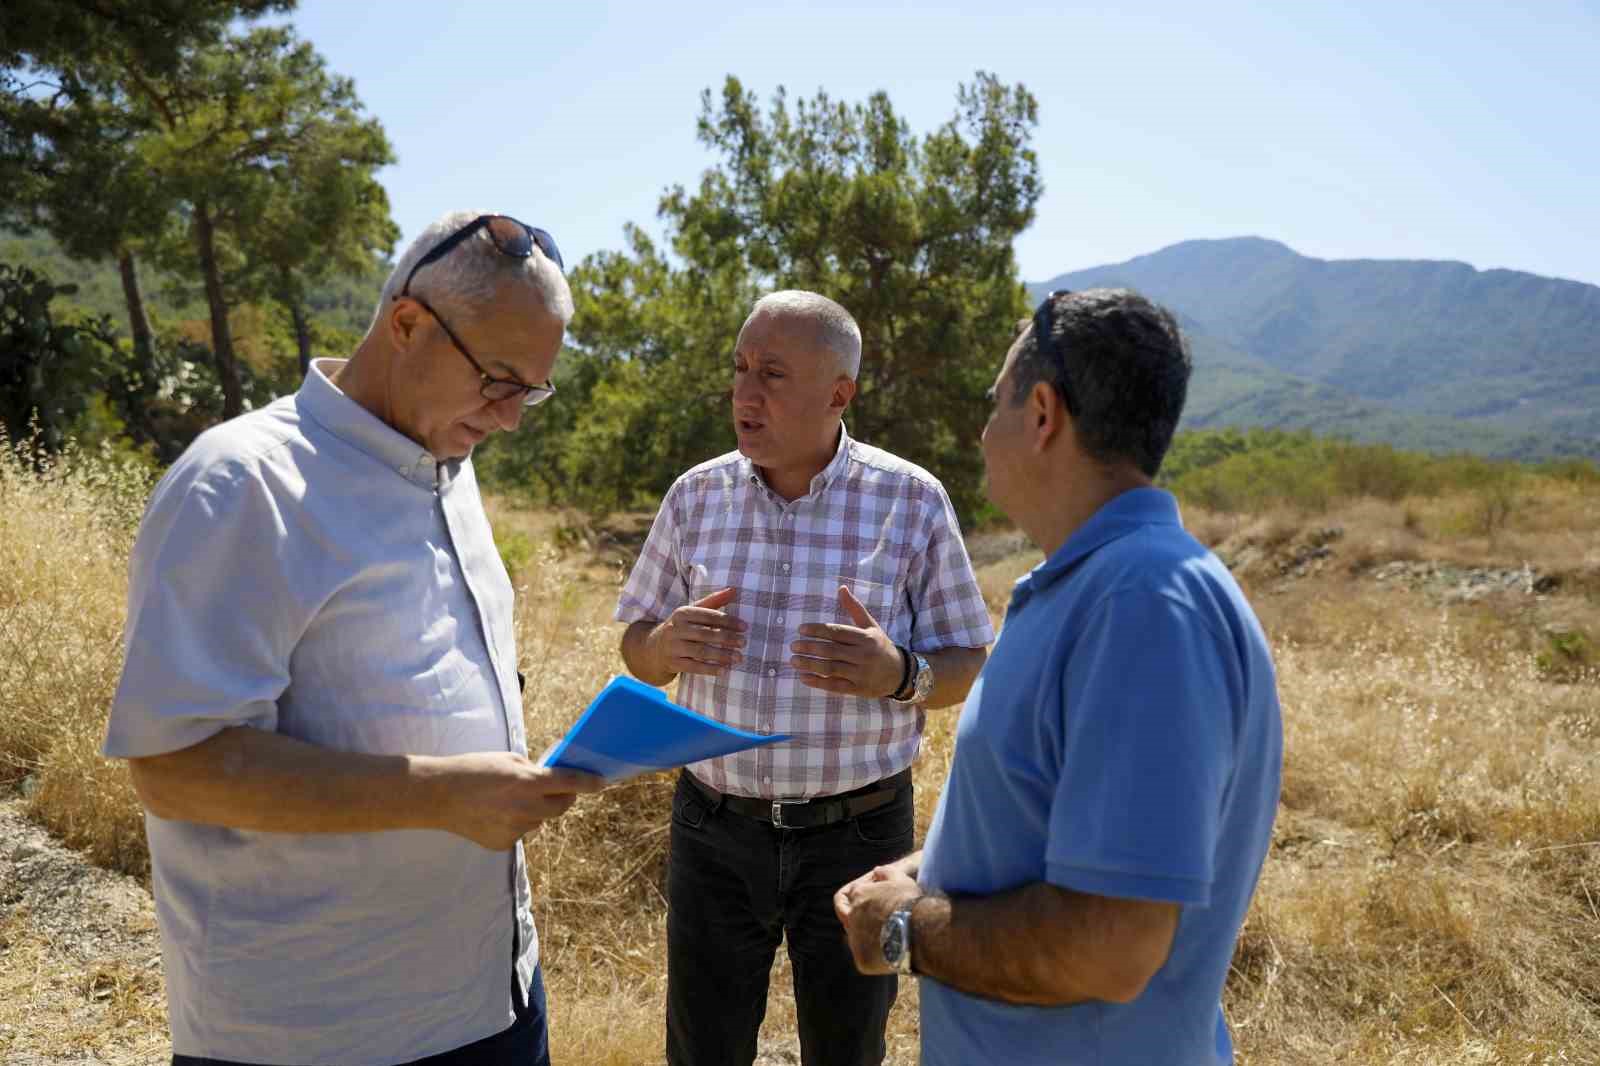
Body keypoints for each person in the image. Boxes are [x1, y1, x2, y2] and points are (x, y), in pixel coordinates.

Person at [102, 210, 606, 1066]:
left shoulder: (447, 463)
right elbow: (173, 767)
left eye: (531, 390)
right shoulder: (241, 483)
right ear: (407, 323)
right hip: (320, 1031)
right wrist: (442, 793)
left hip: (495, 998)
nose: (513, 417)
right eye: (498, 381)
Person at [835, 288, 1284, 1065]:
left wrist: (905, 927)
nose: (981, 431)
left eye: (994, 403)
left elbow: (1111, 944)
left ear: (1042, 413)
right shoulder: (1093, 587)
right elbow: (1055, 824)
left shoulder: (1140, 606)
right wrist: (926, 869)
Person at [615, 290, 994, 1066]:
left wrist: (901, 674)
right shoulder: (695, 496)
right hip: (711, 827)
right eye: (740, 368)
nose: (744, 393)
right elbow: (635, 645)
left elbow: (969, 661)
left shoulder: (912, 501)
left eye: (773, 374)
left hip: (859, 836)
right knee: (702, 1049)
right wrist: (665, 646)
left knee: (848, 1049)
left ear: (839, 394)